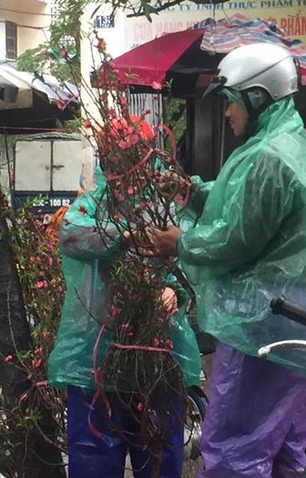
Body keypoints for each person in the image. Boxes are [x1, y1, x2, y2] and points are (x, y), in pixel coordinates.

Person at [141, 42, 306, 478]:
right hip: (295, 318)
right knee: (286, 445)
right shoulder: (288, 141)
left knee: (236, 446)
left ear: (256, 97)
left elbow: (237, 238)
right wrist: (191, 192)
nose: (227, 113)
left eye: (231, 102)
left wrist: (182, 244)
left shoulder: (270, 156)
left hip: (263, 322)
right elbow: (245, 204)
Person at [48, 159, 201, 477]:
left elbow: (190, 253)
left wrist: (175, 292)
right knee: (94, 462)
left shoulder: (165, 207)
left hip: (156, 360)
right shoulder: (93, 204)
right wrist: (126, 236)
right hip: (99, 360)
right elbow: (72, 236)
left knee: (159, 460)